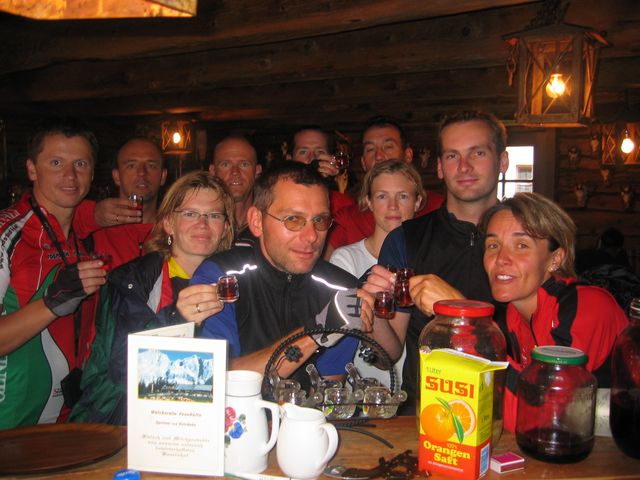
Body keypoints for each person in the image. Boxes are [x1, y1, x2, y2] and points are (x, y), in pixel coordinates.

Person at [178, 163, 380, 386]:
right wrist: (316, 332)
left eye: (320, 220)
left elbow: (329, 390)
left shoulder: (341, 289)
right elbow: (217, 379)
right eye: (293, 219)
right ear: (257, 221)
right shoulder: (222, 277)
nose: (312, 236)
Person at [363, 111, 510, 414]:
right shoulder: (406, 238)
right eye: (453, 156)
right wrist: (373, 312)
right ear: (440, 167)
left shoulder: (527, 239)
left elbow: (537, 349)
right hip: (425, 411)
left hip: (504, 409)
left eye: (478, 153)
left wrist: (456, 309)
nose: (464, 166)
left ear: (503, 161)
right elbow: (388, 355)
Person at [69, 171, 235, 424]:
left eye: (213, 215)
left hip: (204, 420)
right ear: (168, 223)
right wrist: (178, 319)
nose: (203, 224)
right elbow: (122, 367)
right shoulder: (132, 280)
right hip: (127, 421)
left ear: (225, 228)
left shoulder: (235, 282)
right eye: (190, 214)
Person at [480, 192, 629, 432]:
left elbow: (545, 417)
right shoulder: (512, 315)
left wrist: (474, 329)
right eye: (493, 245)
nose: (500, 259)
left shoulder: (588, 307)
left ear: (555, 259)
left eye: (521, 245)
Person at [0, 117, 108, 429]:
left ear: (92, 172)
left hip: (67, 419)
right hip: (10, 423)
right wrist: (50, 303)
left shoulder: (82, 242)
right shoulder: (7, 235)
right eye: (56, 162)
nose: (70, 176)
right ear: (32, 169)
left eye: (81, 164)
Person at [330, 160, 423, 386]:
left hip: (415, 388)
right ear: (369, 202)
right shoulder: (345, 259)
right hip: (362, 390)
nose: (393, 206)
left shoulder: (426, 259)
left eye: (403, 196)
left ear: (418, 201)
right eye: (382, 196)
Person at [326, 116, 444, 256]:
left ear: (408, 155)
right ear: (363, 162)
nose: (379, 156)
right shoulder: (349, 219)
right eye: (370, 149)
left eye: (388, 147)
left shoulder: (439, 208)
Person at [91, 137, 168, 268]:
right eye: (131, 166)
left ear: (163, 176)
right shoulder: (93, 230)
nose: (142, 173)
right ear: (117, 176)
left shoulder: (175, 231)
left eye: (151, 166)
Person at [209, 135, 262, 243]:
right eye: (225, 164)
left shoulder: (269, 226)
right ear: (213, 171)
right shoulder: (202, 227)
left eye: (244, 164)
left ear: (257, 171)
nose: (235, 172)